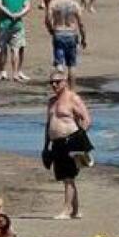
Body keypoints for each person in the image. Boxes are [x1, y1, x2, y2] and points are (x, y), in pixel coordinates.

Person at [44, 71, 93, 220]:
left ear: (65, 82)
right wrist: (45, 146)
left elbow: (86, 119)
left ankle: (66, 210)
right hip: (56, 143)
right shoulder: (51, 102)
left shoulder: (73, 98)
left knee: (68, 177)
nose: (54, 85)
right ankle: (76, 211)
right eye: (51, 82)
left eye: (57, 82)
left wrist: (78, 138)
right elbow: (48, 125)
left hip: (70, 141)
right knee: (65, 177)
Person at [45, 0, 86, 82]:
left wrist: (51, 29)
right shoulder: (75, 4)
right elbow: (81, 23)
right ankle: (71, 90)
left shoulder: (53, 3)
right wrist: (84, 38)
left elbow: (48, 19)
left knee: (59, 63)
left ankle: (60, 86)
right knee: (72, 65)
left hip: (58, 32)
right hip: (71, 33)